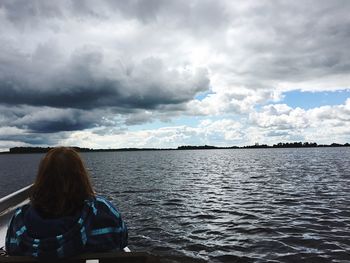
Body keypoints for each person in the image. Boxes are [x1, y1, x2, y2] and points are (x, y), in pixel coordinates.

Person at [5, 147, 128, 259]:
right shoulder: (104, 210)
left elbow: (11, 249)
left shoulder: (20, 218)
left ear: (43, 177)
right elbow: (122, 242)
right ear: (81, 175)